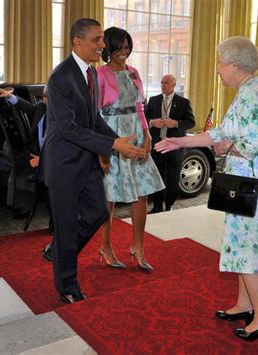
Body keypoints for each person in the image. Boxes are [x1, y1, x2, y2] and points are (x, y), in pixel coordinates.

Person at [155, 37, 258, 342]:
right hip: (251, 182)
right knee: (242, 243)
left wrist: (226, 146)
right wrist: (180, 141)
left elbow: (247, 145)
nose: (217, 69)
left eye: (220, 62)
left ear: (234, 65)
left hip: (254, 185)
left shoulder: (253, 94)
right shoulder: (252, 89)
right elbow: (219, 133)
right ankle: (245, 304)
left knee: (249, 247)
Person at [39, 18, 146, 304]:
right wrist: (113, 144)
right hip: (63, 164)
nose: (102, 45)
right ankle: (67, 286)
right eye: (97, 40)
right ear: (78, 41)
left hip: (86, 161)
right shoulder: (61, 77)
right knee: (66, 226)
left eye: (102, 40)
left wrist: (118, 144)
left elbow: (93, 120)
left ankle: (59, 251)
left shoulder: (91, 73)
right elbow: (68, 128)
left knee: (98, 213)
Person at [97, 27, 164, 271]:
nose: (124, 52)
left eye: (127, 47)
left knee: (142, 192)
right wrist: (102, 149)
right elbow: (96, 114)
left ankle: (138, 246)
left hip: (136, 134)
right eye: (119, 48)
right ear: (108, 48)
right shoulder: (100, 74)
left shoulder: (134, 72)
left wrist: (147, 134)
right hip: (113, 135)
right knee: (109, 194)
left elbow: (140, 108)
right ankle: (105, 245)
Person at [0, 86, 54, 236]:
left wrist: (43, 159)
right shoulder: (41, 107)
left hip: (54, 159)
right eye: (44, 96)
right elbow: (24, 106)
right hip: (36, 155)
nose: (45, 99)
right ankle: (20, 206)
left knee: (52, 187)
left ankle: (57, 226)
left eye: (48, 96)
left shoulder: (63, 116)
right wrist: (8, 96)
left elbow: (62, 146)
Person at [145, 74, 195, 213]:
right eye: (161, 82)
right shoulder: (154, 100)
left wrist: (176, 123)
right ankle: (157, 205)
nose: (163, 85)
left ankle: (169, 205)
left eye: (166, 82)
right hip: (157, 145)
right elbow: (144, 117)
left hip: (175, 146)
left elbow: (191, 122)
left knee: (173, 178)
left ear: (174, 85)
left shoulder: (184, 102)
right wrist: (152, 122)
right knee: (158, 176)